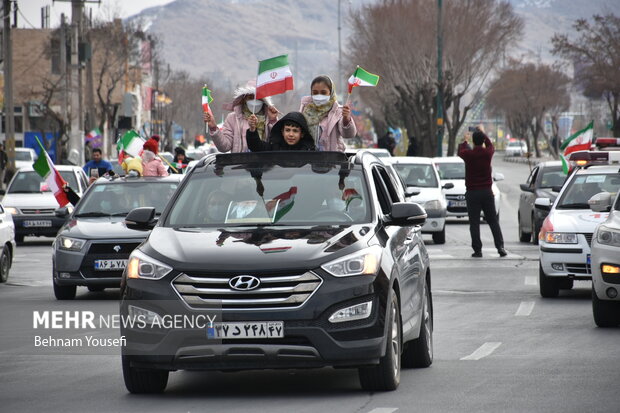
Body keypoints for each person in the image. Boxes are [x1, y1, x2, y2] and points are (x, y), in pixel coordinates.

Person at [458, 128, 506, 258]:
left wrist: (465, 140)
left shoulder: (469, 155)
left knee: (474, 223)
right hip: (486, 192)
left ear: (473, 142)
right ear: (482, 141)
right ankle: (500, 246)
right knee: (492, 221)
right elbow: (491, 145)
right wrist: (484, 134)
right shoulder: (487, 154)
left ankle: (478, 250)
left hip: (472, 193)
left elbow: (460, 151)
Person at [203, 81, 279, 153]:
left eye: (257, 98)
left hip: (264, 164)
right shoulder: (233, 118)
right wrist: (213, 128)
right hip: (239, 164)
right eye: (250, 98)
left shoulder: (268, 118)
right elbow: (224, 147)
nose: (254, 101)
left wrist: (273, 121)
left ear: (263, 100)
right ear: (244, 99)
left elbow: (277, 144)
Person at [300, 75, 356, 151]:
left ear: (331, 92)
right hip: (307, 159)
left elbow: (349, 134)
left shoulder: (338, 111)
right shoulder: (305, 109)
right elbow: (294, 130)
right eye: (315, 93)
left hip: (331, 160)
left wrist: (346, 119)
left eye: (323, 92)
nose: (319, 96)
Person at [246, 112, 315, 152]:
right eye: (287, 130)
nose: (291, 134)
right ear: (282, 132)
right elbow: (255, 147)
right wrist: (252, 129)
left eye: (295, 131)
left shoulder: (309, 151)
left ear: (302, 134)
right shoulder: (273, 147)